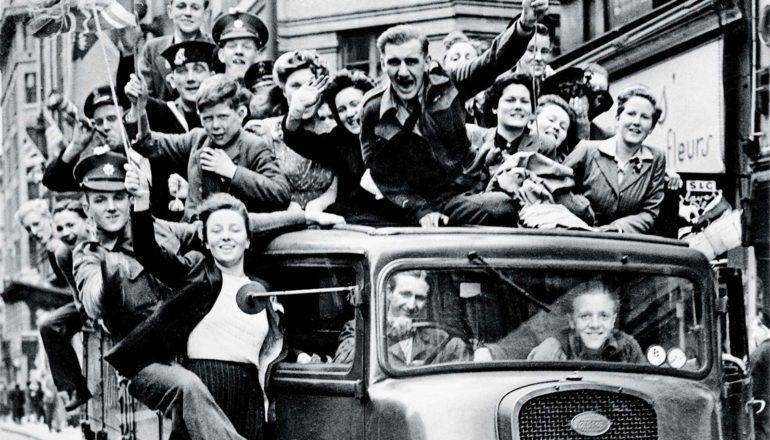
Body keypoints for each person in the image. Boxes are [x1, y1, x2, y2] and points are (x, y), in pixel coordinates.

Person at [122, 163, 286, 439]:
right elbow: (148, 253)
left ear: (247, 240)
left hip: (249, 398)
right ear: (206, 242)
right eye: (216, 230)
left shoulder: (262, 290)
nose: (225, 237)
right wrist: (140, 201)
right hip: (203, 386)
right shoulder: (197, 273)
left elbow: (278, 342)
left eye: (234, 230)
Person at [360, 0, 549, 227]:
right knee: (502, 207)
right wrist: (421, 212)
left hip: (473, 183)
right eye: (393, 63)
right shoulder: (373, 110)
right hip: (427, 203)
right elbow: (385, 177)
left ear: (427, 62)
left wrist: (525, 26)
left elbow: (491, 62)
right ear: (382, 64)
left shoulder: (449, 82)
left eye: (411, 62)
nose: (403, 72)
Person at [130, 74, 291, 220]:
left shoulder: (253, 146)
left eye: (222, 117)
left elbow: (281, 193)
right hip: (191, 234)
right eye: (207, 118)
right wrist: (140, 108)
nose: (215, 126)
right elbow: (149, 144)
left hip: (227, 239)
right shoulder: (198, 139)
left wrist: (233, 172)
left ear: (241, 113)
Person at [283, 68, 403, 224]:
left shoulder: (394, 131)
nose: (350, 114)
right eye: (341, 109)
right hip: (351, 224)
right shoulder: (339, 141)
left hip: (397, 222)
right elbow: (299, 140)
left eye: (355, 104)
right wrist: (295, 111)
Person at [561, 86, 666, 234]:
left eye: (645, 117)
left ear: (651, 127)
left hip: (623, 244)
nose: (636, 122)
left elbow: (649, 212)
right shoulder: (587, 150)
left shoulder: (656, 159)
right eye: (631, 114)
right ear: (618, 118)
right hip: (580, 238)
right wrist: (580, 213)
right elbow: (558, 186)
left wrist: (617, 228)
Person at [253, 50, 336, 211]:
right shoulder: (264, 131)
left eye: (311, 84)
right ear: (284, 91)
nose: (304, 93)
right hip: (279, 220)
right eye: (296, 86)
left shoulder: (334, 133)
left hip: (326, 223)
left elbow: (336, 188)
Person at [335, 270, 467, 366]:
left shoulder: (438, 337)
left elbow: (464, 353)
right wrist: (388, 333)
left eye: (420, 298)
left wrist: (480, 349)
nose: (411, 305)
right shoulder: (359, 328)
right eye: (405, 294)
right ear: (388, 293)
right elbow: (344, 364)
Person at [39, 200, 93, 411]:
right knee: (48, 325)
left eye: (71, 225)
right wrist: (87, 310)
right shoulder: (63, 254)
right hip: (89, 303)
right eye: (60, 228)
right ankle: (74, 388)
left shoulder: (102, 240)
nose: (66, 233)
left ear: (86, 221)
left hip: (115, 297)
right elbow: (77, 295)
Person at [526, 281, 645, 363]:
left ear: (613, 321)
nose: (594, 324)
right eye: (585, 316)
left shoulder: (627, 348)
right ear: (572, 321)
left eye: (603, 316)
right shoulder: (552, 350)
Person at [139, 0, 212, 100]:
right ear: (170, 11)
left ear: (205, 14)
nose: (187, 13)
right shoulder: (152, 49)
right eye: (181, 6)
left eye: (195, 8)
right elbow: (146, 99)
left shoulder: (215, 49)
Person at [212, 10, 269, 83]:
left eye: (246, 47)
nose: (239, 51)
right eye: (232, 46)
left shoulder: (264, 93)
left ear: (258, 56)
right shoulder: (212, 93)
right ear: (221, 55)